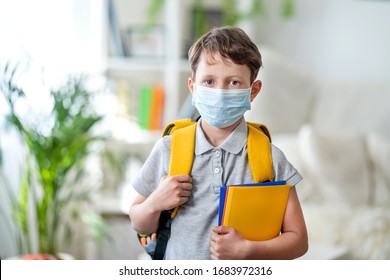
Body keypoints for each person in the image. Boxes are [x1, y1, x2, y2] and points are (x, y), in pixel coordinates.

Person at [129, 26, 308, 260]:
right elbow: (138, 222)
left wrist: (248, 250)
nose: (220, 92)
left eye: (233, 82)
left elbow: (299, 240)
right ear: (193, 88)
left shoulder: (271, 158)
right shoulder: (169, 148)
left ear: (253, 91)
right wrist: (154, 203)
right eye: (209, 81)